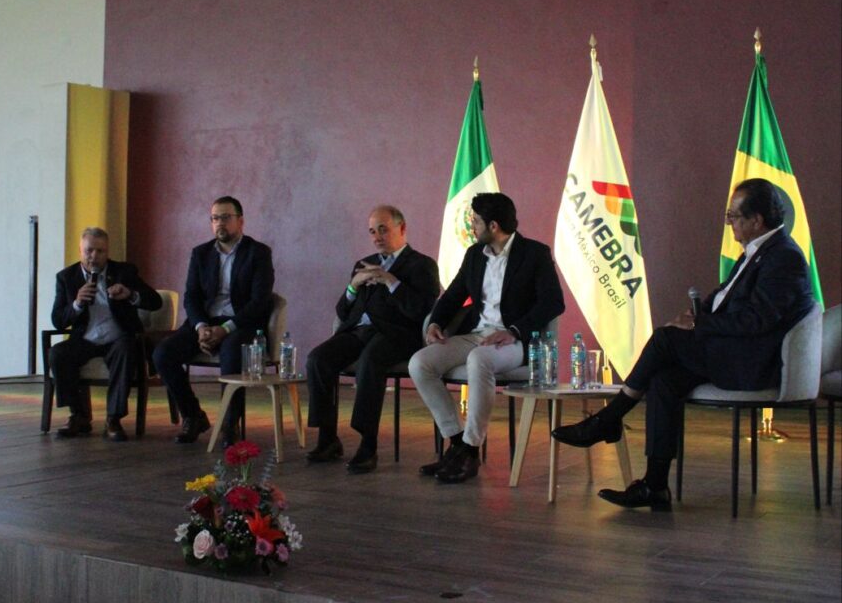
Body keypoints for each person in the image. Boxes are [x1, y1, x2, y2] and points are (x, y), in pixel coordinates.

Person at [553, 178, 815, 510]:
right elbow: (725, 299)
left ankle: (608, 419)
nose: (729, 222)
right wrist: (697, 315)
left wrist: (698, 324)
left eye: (733, 216)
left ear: (756, 220)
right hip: (730, 353)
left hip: (750, 364)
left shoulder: (783, 257)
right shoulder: (759, 252)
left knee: (665, 339)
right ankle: (654, 486)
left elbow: (756, 320)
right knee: (665, 381)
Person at [409, 192, 564, 483]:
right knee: (420, 363)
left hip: (515, 341)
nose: (472, 227)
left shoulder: (534, 254)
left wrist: (514, 330)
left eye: (476, 222)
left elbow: (553, 302)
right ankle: (457, 442)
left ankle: (471, 449)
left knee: (479, 359)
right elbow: (453, 294)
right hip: (477, 334)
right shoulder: (474, 255)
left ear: (493, 226)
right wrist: (436, 322)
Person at [305, 205, 440, 474]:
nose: (377, 237)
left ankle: (368, 445)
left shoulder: (422, 265)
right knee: (317, 359)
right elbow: (343, 312)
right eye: (372, 232)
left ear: (402, 228)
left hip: (397, 334)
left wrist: (390, 281)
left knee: (370, 361)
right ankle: (328, 438)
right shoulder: (364, 263)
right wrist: (354, 286)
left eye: (383, 230)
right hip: (359, 331)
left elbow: (420, 310)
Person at [153, 197, 274, 444]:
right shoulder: (201, 253)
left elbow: (259, 302)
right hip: (205, 323)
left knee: (232, 351)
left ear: (240, 221)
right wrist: (201, 327)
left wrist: (225, 329)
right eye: (215, 218)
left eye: (226, 217)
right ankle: (193, 415)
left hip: (241, 324)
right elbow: (191, 297)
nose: (220, 223)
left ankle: (230, 424)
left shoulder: (258, 253)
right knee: (162, 354)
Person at [49, 227, 162, 441]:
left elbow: (155, 301)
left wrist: (130, 295)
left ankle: (113, 419)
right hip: (85, 339)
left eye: (100, 251)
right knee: (58, 353)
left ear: (107, 251)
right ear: (80, 250)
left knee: (126, 349)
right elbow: (58, 320)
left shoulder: (124, 272)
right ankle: (79, 415)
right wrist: (77, 303)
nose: (94, 256)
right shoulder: (66, 277)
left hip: (118, 337)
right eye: (89, 250)